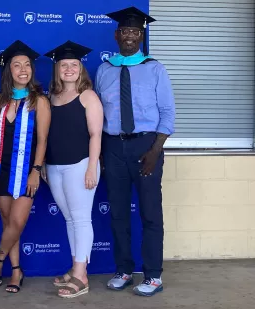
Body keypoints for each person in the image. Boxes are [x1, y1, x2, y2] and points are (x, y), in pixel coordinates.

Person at [95, 7, 176, 297]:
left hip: (147, 147)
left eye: (135, 32)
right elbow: (98, 115)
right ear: (116, 35)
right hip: (113, 146)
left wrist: (155, 150)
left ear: (141, 36)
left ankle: (153, 275)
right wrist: (102, 152)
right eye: (125, 31)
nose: (129, 36)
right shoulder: (104, 70)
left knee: (150, 212)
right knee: (118, 213)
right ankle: (124, 270)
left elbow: (167, 113)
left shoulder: (155, 68)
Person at [0, 40, 51, 294]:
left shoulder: (39, 102)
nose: (23, 69)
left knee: (18, 221)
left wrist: (36, 170)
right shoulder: (0, 100)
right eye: (16, 65)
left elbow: (42, 140)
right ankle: (16, 270)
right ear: (8, 71)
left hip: (25, 171)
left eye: (27, 65)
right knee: (8, 221)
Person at [41, 41, 103, 298]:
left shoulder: (88, 96)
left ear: (81, 69)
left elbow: (95, 135)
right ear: (57, 70)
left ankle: (81, 275)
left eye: (74, 65)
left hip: (80, 165)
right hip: (55, 167)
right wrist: (44, 164)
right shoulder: (51, 97)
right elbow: (47, 135)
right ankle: (76, 265)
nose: (69, 69)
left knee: (81, 219)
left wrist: (91, 168)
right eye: (64, 65)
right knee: (70, 219)